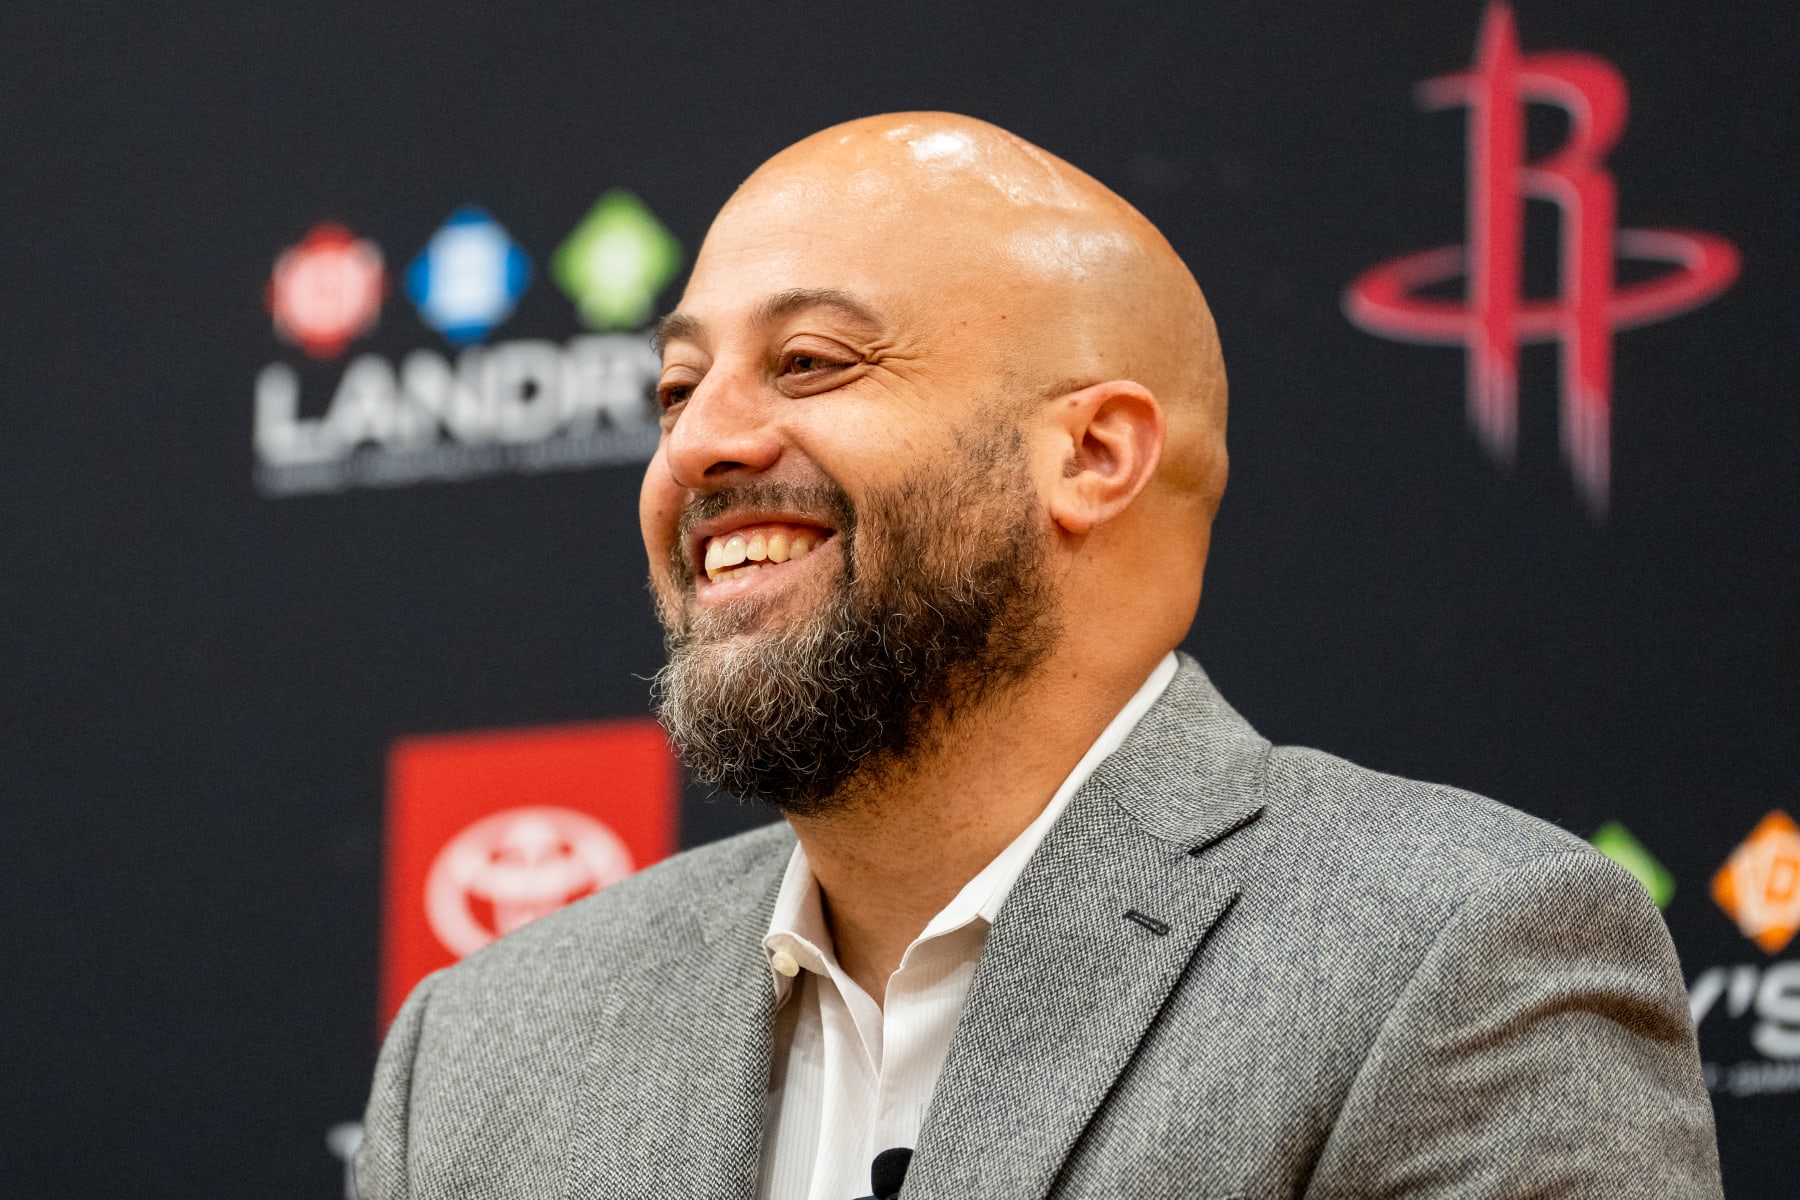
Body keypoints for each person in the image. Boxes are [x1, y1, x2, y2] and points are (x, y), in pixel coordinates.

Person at [356, 113, 1720, 1199]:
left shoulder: (1462, 954)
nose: (695, 446)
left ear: (1093, 455)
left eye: (815, 362)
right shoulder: (480, 1054)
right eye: (675, 387)